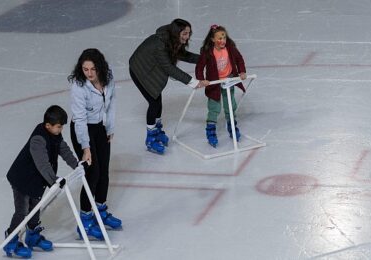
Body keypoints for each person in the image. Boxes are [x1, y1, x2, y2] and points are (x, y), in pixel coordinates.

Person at [4, 105, 79, 258]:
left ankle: (32, 235)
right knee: (22, 211)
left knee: (35, 207)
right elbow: (42, 163)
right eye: (59, 127)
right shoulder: (38, 139)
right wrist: (54, 180)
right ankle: (11, 240)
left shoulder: (55, 134)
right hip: (22, 179)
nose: (61, 130)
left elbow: (63, 149)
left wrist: (76, 165)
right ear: (48, 125)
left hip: (37, 180)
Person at [129, 18, 209, 154]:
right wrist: (194, 82)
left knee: (157, 101)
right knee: (154, 103)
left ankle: (157, 130)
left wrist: (205, 59)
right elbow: (170, 68)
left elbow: (184, 55)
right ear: (176, 32)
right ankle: (150, 139)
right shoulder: (160, 45)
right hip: (140, 70)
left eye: (189, 33)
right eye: (184, 33)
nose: (187, 37)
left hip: (151, 67)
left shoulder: (171, 40)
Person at [69, 48, 121, 240]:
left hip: (100, 127)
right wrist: (85, 147)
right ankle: (84, 220)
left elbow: (112, 101)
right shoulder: (78, 86)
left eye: (92, 69)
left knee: (104, 172)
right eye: (85, 69)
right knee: (93, 173)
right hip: (83, 131)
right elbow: (80, 119)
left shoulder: (108, 76)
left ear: (100, 67)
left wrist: (110, 127)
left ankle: (100, 209)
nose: (89, 73)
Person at [195, 24, 247, 147]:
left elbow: (239, 59)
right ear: (213, 39)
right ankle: (211, 130)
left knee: (231, 105)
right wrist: (202, 79)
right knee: (214, 107)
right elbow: (199, 66)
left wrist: (242, 71)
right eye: (219, 38)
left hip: (228, 80)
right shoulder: (207, 51)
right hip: (214, 83)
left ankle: (232, 125)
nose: (222, 41)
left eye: (223, 38)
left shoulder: (230, 48)